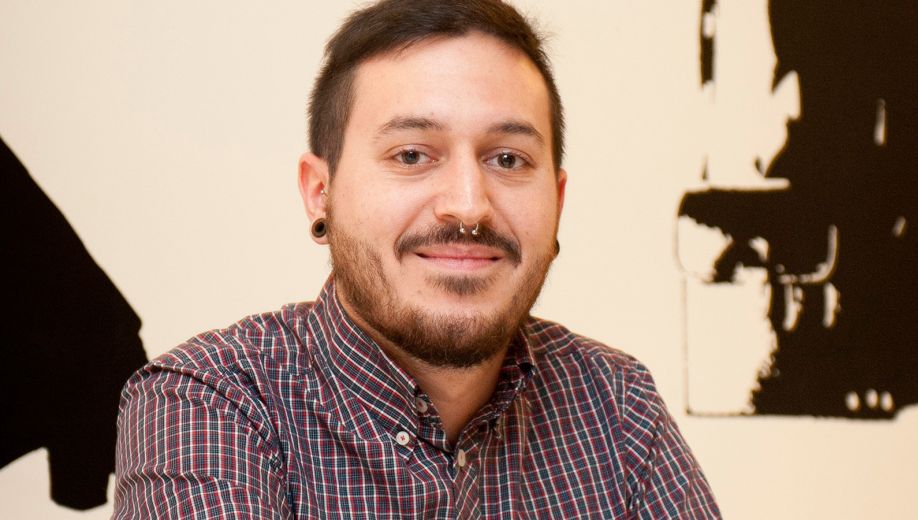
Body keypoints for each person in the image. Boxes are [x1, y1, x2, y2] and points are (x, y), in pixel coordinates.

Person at [113, 0, 720, 517]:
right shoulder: (205, 404)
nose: (468, 206)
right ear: (320, 192)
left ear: (558, 202)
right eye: (411, 155)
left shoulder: (616, 404)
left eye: (508, 159)